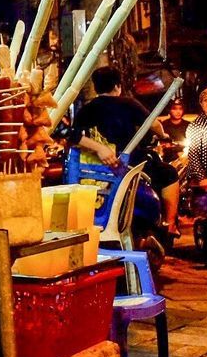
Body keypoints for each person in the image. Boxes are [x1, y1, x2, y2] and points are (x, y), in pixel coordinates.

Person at [69, 66, 181, 236]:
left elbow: (72, 135)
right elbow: (154, 123)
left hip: (96, 169)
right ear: (117, 86)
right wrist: (163, 134)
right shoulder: (129, 103)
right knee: (169, 173)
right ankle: (170, 223)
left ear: (96, 87)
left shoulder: (87, 108)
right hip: (128, 164)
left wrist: (99, 149)